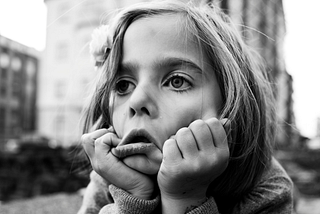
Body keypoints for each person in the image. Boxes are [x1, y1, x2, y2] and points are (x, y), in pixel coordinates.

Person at [78, 1, 293, 213]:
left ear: (230, 104)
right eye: (123, 85)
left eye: (177, 81)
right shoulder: (109, 174)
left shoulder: (268, 188)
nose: (136, 101)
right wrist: (134, 195)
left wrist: (184, 199)